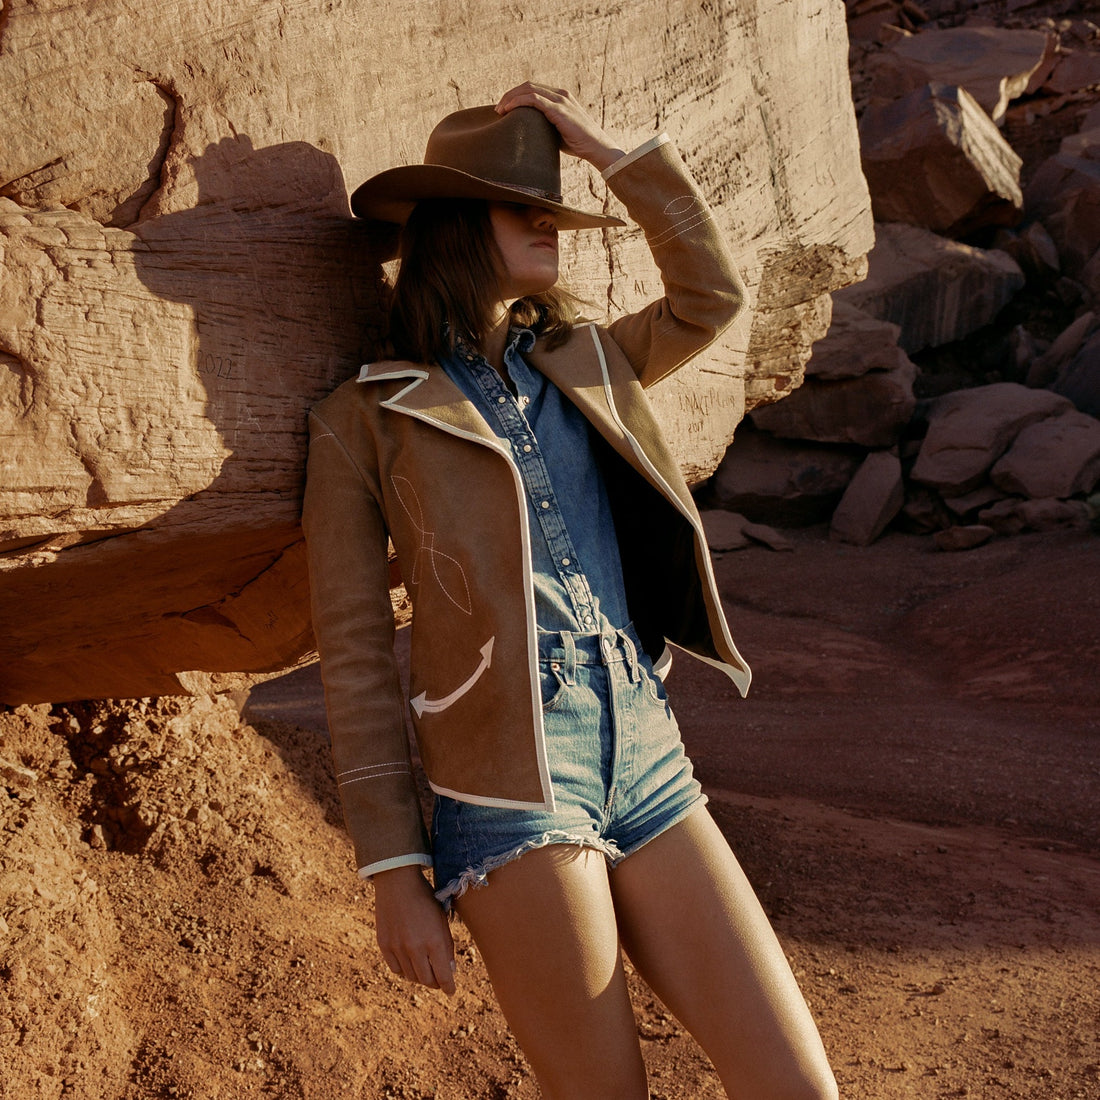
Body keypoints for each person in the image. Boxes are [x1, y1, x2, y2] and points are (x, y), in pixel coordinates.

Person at [302, 82, 838, 1100]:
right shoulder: (363, 418)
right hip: (510, 791)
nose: (550, 221)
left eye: (551, 201)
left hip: (645, 752)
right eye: (522, 205)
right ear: (454, 226)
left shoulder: (587, 360)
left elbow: (710, 298)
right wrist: (391, 870)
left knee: (796, 1086)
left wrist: (619, 156)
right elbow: (357, 653)